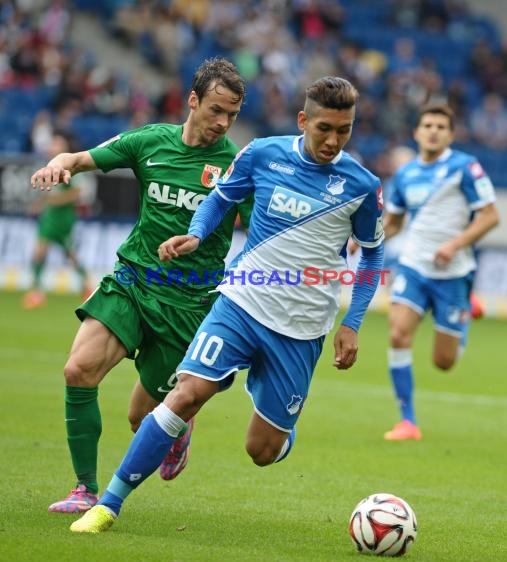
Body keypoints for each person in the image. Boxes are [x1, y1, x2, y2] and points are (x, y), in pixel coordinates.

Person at [69, 75, 386, 533]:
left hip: (301, 327)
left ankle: (281, 425)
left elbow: (373, 253)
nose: (333, 140)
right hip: (240, 303)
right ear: (303, 121)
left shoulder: (361, 184)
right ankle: (108, 505)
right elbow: (221, 199)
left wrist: (352, 322)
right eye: (324, 129)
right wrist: (197, 233)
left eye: (345, 130)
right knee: (185, 395)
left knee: (261, 451)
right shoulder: (262, 154)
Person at [30, 57, 251, 513]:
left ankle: (179, 425)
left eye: (232, 114)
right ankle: (84, 490)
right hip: (132, 280)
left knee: (140, 419)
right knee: (79, 370)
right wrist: (60, 162)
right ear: (193, 101)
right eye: (216, 110)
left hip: (187, 305)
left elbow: (266, 229)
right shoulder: (150, 141)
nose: (223, 123)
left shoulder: (238, 166)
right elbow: (81, 158)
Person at [382, 103, 500, 441]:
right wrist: (366, 240)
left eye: (440, 126)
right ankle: (408, 422)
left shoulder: (465, 168)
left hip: (453, 272)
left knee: (444, 363)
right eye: (428, 125)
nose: (433, 131)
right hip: (414, 265)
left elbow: (491, 217)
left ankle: (465, 310)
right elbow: (394, 223)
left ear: (450, 134)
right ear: (417, 132)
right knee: (397, 334)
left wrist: (455, 244)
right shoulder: (404, 175)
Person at [23, 131, 92, 309]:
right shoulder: (46, 166)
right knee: (39, 251)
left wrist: (55, 201)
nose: (52, 146)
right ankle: (37, 291)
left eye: (57, 143)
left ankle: (87, 286)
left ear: (64, 148)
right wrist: (41, 204)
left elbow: (78, 192)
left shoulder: (69, 166)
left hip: (64, 217)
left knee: (70, 255)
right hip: (50, 216)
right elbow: (49, 194)